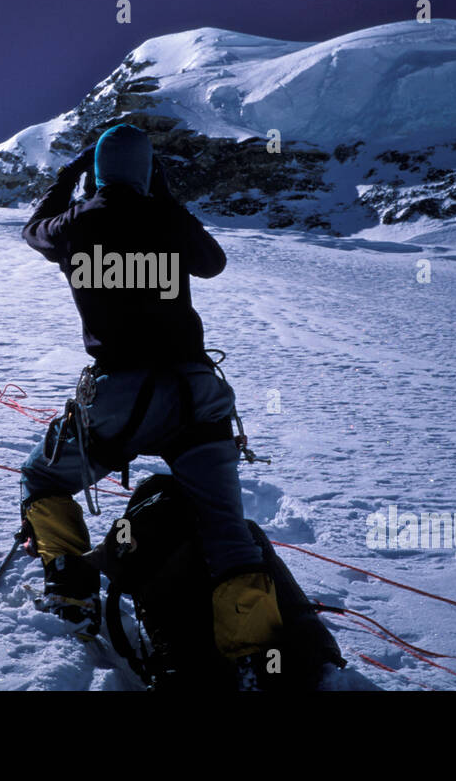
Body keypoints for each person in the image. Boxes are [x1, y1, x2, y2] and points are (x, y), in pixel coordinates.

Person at [18, 123, 283, 673]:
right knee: (225, 525)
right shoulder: (166, 218)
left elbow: (33, 230)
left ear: (95, 173)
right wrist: (162, 198)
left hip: (120, 394)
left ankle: (72, 590)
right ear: (146, 172)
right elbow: (213, 262)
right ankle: (258, 655)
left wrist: (70, 182)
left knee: (44, 478)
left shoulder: (76, 223)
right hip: (194, 392)